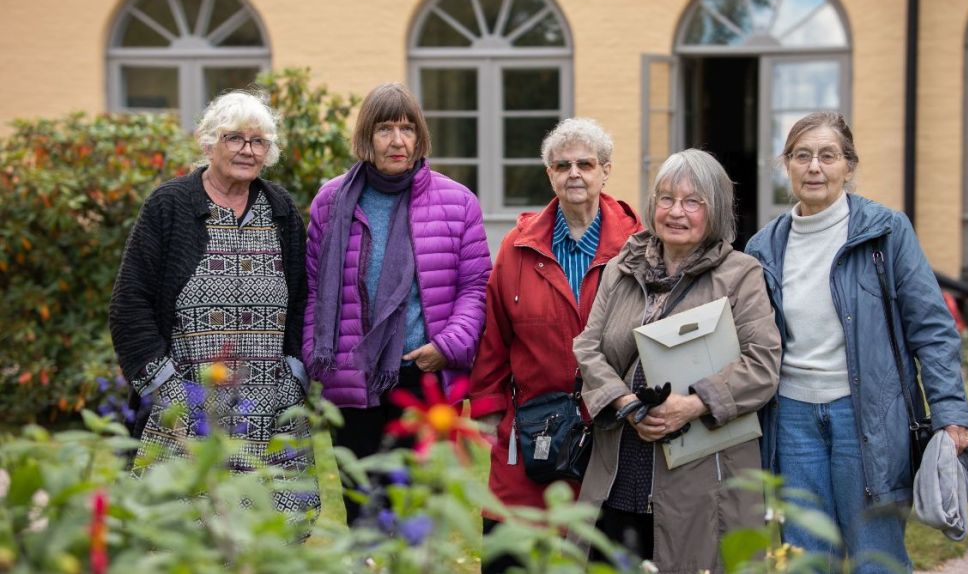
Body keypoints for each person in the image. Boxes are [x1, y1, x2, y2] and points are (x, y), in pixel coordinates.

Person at [745, 112, 968, 573]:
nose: (814, 167)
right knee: (807, 557)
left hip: (868, 416)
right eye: (802, 156)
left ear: (848, 166)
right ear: (786, 165)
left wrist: (951, 410)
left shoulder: (885, 231)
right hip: (792, 419)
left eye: (828, 156)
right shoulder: (763, 247)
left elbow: (931, 327)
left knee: (877, 555)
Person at [109, 90, 318, 516]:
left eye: (258, 141)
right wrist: (166, 390)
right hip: (186, 408)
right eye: (234, 138)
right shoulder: (171, 205)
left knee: (274, 530)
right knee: (180, 529)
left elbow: (302, 300)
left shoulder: (280, 209)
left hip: (269, 408)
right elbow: (130, 304)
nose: (247, 150)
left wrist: (294, 377)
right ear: (209, 142)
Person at [573, 149, 781, 573]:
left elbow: (762, 363)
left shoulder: (740, 274)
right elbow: (588, 347)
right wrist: (625, 403)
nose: (676, 212)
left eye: (692, 202)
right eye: (666, 199)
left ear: (715, 209)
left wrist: (692, 404)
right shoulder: (621, 268)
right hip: (620, 464)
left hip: (701, 471)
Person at [302, 82, 491, 521]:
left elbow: (475, 287)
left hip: (423, 377)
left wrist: (447, 347)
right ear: (366, 136)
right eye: (384, 129)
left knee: (417, 511)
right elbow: (314, 288)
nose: (397, 141)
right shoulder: (331, 201)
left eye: (407, 129)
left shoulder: (457, 202)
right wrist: (316, 356)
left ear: (420, 136)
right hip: (352, 378)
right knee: (363, 510)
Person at [469, 118, 642, 573]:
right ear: (550, 174)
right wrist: (486, 408)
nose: (574, 174)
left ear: (606, 171)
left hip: (612, 427)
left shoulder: (638, 247)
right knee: (512, 550)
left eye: (586, 164)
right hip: (533, 426)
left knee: (602, 552)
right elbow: (495, 336)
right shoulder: (518, 247)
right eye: (562, 165)